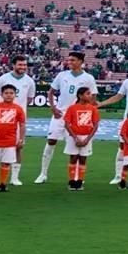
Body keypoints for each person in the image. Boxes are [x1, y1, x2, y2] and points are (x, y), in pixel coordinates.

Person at [36, 52, 97, 184]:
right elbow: (51, 91)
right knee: (51, 141)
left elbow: (93, 97)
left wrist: (87, 113)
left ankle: (76, 177)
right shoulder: (62, 75)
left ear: (81, 61)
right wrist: (53, 107)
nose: (70, 62)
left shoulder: (88, 78)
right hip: (60, 114)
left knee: (76, 147)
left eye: (73, 60)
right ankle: (43, 173)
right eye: (69, 60)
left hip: (78, 116)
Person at [0, 55, 35, 185]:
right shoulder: (2, 79)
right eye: (20, 64)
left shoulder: (29, 81)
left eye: (24, 65)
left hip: (18, 120)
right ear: (13, 65)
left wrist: (19, 111)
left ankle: (14, 177)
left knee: (18, 147)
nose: (22, 67)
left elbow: (29, 99)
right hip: (1, 119)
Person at [63, 87, 99, 191]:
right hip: (74, 136)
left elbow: (95, 125)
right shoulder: (72, 108)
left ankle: (80, 180)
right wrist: (75, 137)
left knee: (83, 158)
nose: (90, 96)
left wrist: (88, 139)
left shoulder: (92, 109)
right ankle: (71, 181)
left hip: (86, 136)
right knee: (73, 158)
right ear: (80, 95)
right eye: (88, 94)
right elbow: (67, 124)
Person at [0, 84, 26, 192]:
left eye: (11, 93)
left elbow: (22, 124)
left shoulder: (18, 109)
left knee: (6, 162)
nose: (9, 95)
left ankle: (3, 184)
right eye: (6, 93)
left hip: (10, 140)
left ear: (15, 95)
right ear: (2, 94)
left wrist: (21, 139)